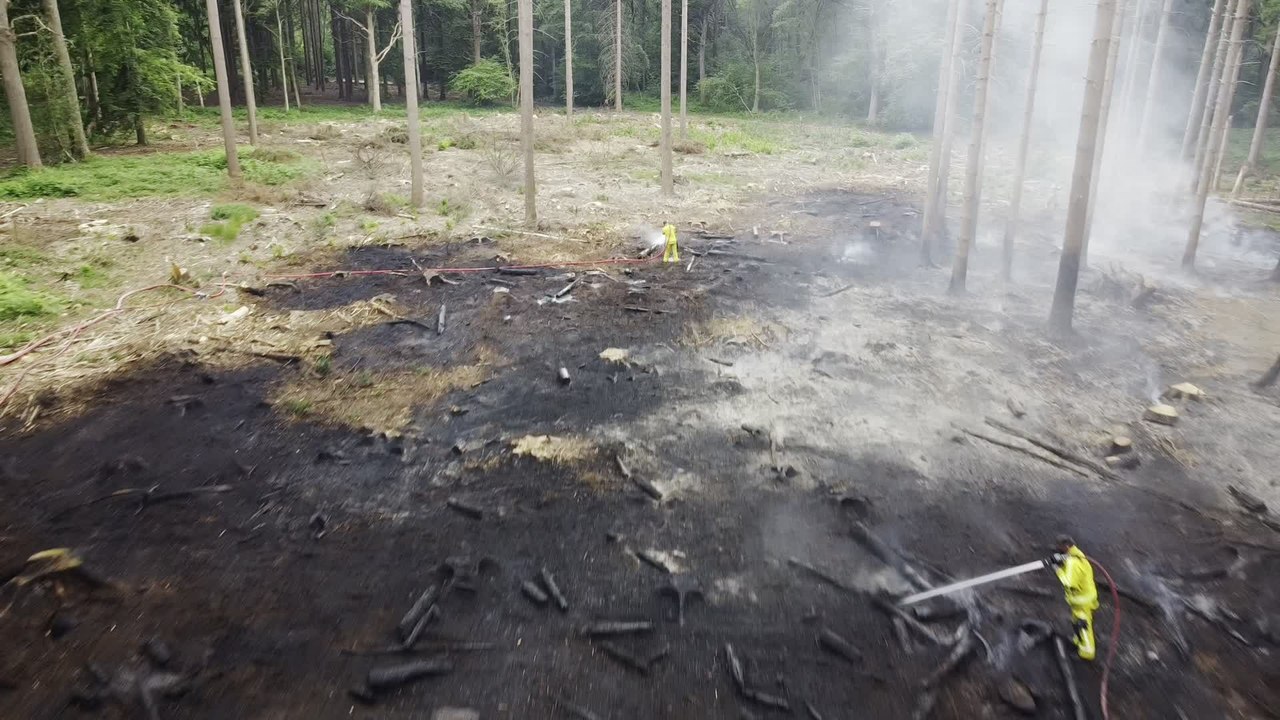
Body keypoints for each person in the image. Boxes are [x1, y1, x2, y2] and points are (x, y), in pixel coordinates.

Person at [1050, 535, 1098, 661]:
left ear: (1066, 546)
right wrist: (1061, 561)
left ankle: (1086, 652)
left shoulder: (1073, 562)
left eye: (1059, 546)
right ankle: (1078, 641)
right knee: (1076, 621)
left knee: (1082, 624)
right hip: (1084, 595)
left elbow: (1068, 581)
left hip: (1082, 598)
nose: (1057, 548)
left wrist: (1057, 569)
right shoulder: (1076, 554)